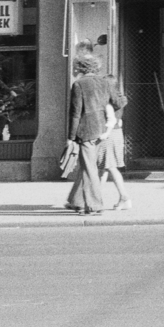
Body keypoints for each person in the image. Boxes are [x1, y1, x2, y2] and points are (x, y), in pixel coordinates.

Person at [66, 55, 112, 214]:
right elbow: (118, 102)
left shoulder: (78, 84)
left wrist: (71, 137)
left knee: (90, 168)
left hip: (86, 130)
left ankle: (94, 205)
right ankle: (76, 201)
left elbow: (76, 113)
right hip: (101, 129)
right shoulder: (104, 82)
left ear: (80, 68)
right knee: (88, 165)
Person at [98, 75, 131, 211]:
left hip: (108, 134)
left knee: (110, 167)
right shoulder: (119, 100)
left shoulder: (107, 101)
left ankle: (124, 197)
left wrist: (105, 133)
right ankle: (96, 198)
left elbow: (109, 119)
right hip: (117, 133)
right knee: (104, 167)